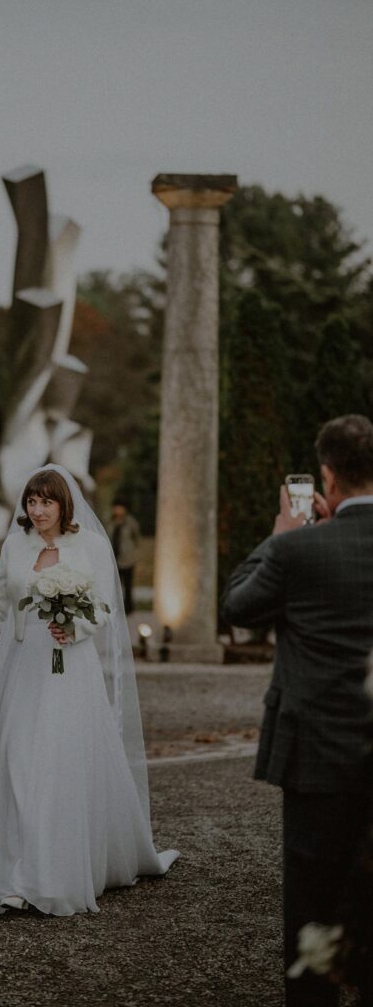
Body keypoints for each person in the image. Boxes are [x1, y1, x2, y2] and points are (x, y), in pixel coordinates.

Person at [0, 465, 178, 916]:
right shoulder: (16, 544)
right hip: (25, 666)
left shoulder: (90, 545)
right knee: (17, 757)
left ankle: (52, 870)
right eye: (32, 502)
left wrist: (73, 628)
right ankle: (15, 865)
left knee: (60, 762)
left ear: (64, 505)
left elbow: (108, 608)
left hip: (70, 667)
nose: (37, 511)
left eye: (46, 502)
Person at [221, 414, 373, 1007]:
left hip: (316, 754)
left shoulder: (297, 549)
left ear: (327, 478)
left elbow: (238, 604)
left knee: (313, 899)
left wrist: (282, 532)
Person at [106, 497, 140, 615]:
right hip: (113, 559)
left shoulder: (130, 522)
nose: (118, 510)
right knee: (114, 586)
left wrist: (133, 553)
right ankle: (115, 608)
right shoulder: (110, 522)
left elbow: (136, 538)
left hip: (127, 559)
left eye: (120, 508)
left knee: (128, 586)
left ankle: (129, 609)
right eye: (116, 507)